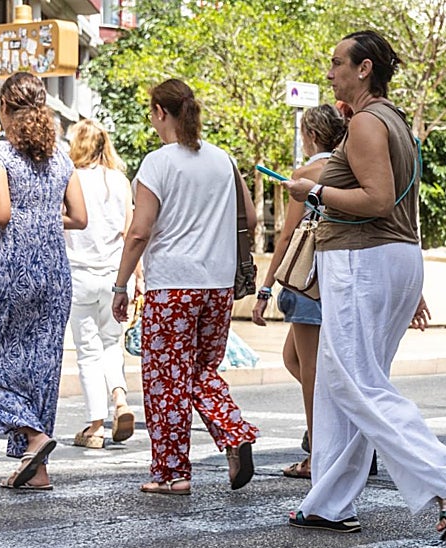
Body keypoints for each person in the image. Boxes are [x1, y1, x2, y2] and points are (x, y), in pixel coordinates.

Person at [282, 30, 446, 539]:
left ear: (364, 69)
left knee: (354, 381)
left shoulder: (369, 123)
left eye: (337, 63)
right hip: (390, 257)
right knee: (339, 382)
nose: (330, 74)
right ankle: (328, 501)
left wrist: (314, 191)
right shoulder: (395, 122)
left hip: (361, 258)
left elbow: (377, 200)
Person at [111, 78, 260, 496]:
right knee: (199, 370)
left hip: (172, 286)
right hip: (217, 286)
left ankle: (172, 472)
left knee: (166, 380)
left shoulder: (158, 163)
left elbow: (140, 231)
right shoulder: (223, 161)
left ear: (161, 112)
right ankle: (232, 429)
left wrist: (121, 284)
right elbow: (249, 216)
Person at [0, 73, 87, 490]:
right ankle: (37, 469)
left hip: (15, 267)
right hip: (55, 272)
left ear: (4, 107)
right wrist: (40, 216)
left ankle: (33, 436)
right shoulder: (61, 157)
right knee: (41, 367)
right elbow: (79, 217)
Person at [251, 103, 347, 480]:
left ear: (309, 134)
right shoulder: (345, 170)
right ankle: (338, 434)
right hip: (338, 276)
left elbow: (288, 235)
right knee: (296, 359)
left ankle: (319, 455)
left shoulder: (306, 173)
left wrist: (265, 287)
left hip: (309, 280)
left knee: (310, 371)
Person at [64, 118, 137, 449]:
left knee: (88, 352)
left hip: (78, 275)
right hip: (114, 276)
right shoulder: (119, 181)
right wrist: (137, 277)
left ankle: (94, 427)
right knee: (111, 343)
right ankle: (120, 399)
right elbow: (129, 231)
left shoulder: (69, 178)